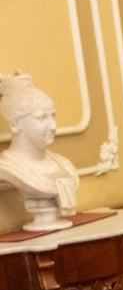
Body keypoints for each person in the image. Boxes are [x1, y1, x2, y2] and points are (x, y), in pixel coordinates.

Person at [0, 74, 80, 232]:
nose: (53, 126)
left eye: (53, 116)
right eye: (42, 117)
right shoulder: (8, 167)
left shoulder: (63, 164)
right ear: (16, 123)